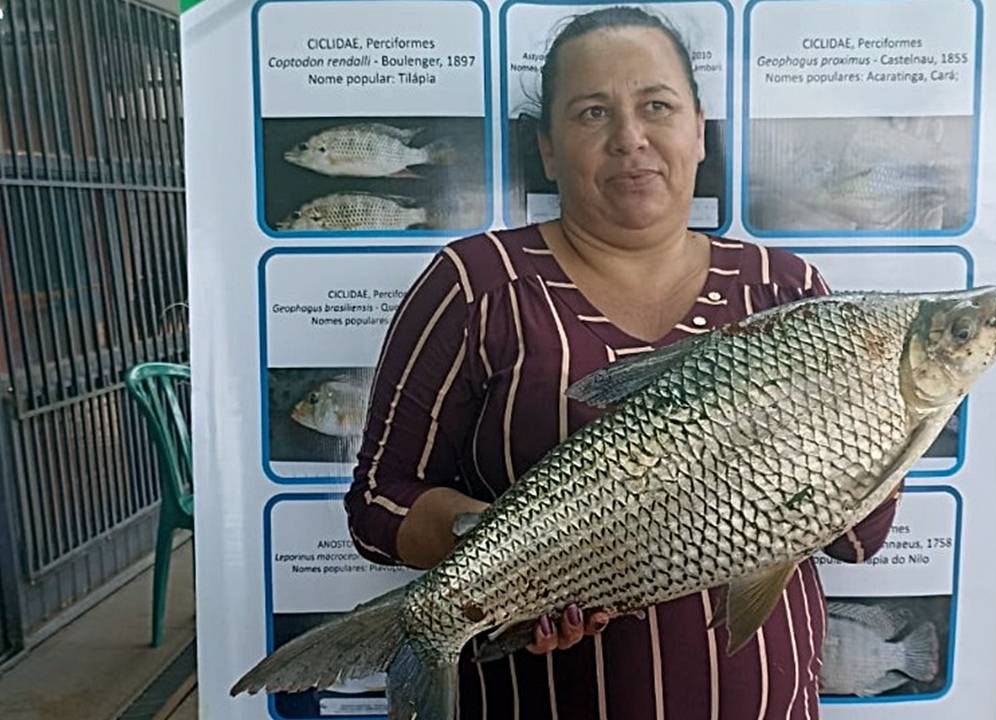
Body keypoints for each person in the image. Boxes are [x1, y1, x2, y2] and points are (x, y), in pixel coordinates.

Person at [344, 7, 900, 719]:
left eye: (657, 106)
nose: (630, 139)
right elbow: (379, 504)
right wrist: (513, 557)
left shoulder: (784, 291)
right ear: (548, 148)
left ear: (698, 129)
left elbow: (859, 537)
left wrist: (892, 408)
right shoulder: (477, 284)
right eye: (591, 113)